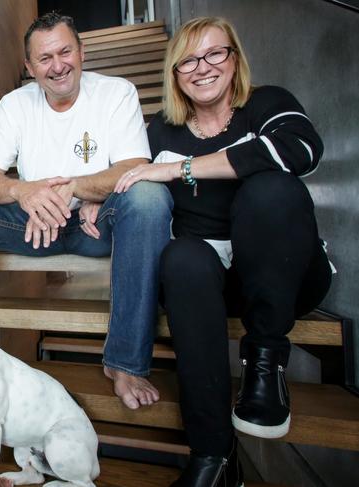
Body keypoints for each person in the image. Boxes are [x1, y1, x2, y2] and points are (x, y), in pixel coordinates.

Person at [115, 16, 332, 487]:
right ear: (174, 74)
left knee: (269, 190)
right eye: (187, 60)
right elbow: (131, 187)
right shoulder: (161, 131)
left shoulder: (267, 102)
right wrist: (98, 204)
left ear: (234, 58)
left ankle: (266, 363)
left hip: (286, 275)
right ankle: (212, 457)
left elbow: (303, 150)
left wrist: (180, 170)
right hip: (211, 286)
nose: (202, 68)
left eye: (215, 53)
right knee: (181, 258)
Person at [0, 12, 173, 410]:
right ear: (29, 67)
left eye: (65, 51)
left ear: (82, 51)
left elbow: (134, 167)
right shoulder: (15, 104)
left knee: (148, 198)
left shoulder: (116, 92)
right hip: (33, 226)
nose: (58, 66)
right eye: (44, 58)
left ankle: (125, 362)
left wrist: (81, 190)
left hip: (95, 225)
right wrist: (23, 191)